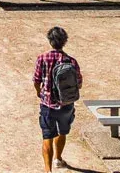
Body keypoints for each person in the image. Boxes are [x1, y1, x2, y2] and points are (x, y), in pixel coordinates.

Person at [33, 25, 81, 171]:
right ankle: (58, 159)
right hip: (66, 104)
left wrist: (38, 92)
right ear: (64, 42)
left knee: (47, 136)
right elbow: (78, 83)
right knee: (62, 132)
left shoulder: (42, 58)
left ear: (50, 41)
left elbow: (36, 80)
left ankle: (48, 170)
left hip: (47, 104)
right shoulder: (71, 61)